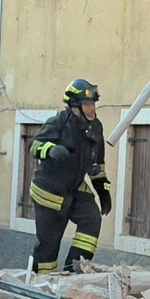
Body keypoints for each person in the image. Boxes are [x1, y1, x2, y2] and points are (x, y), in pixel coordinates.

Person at [28, 78, 111, 274]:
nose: (92, 109)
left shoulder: (95, 128)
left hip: (74, 187)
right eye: (87, 105)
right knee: (48, 246)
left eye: (93, 104)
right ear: (74, 106)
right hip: (49, 191)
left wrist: (102, 189)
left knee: (92, 218)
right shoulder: (57, 123)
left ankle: (73, 271)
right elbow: (34, 145)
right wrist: (51, 150)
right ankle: (43, 284)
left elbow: (96, 164)